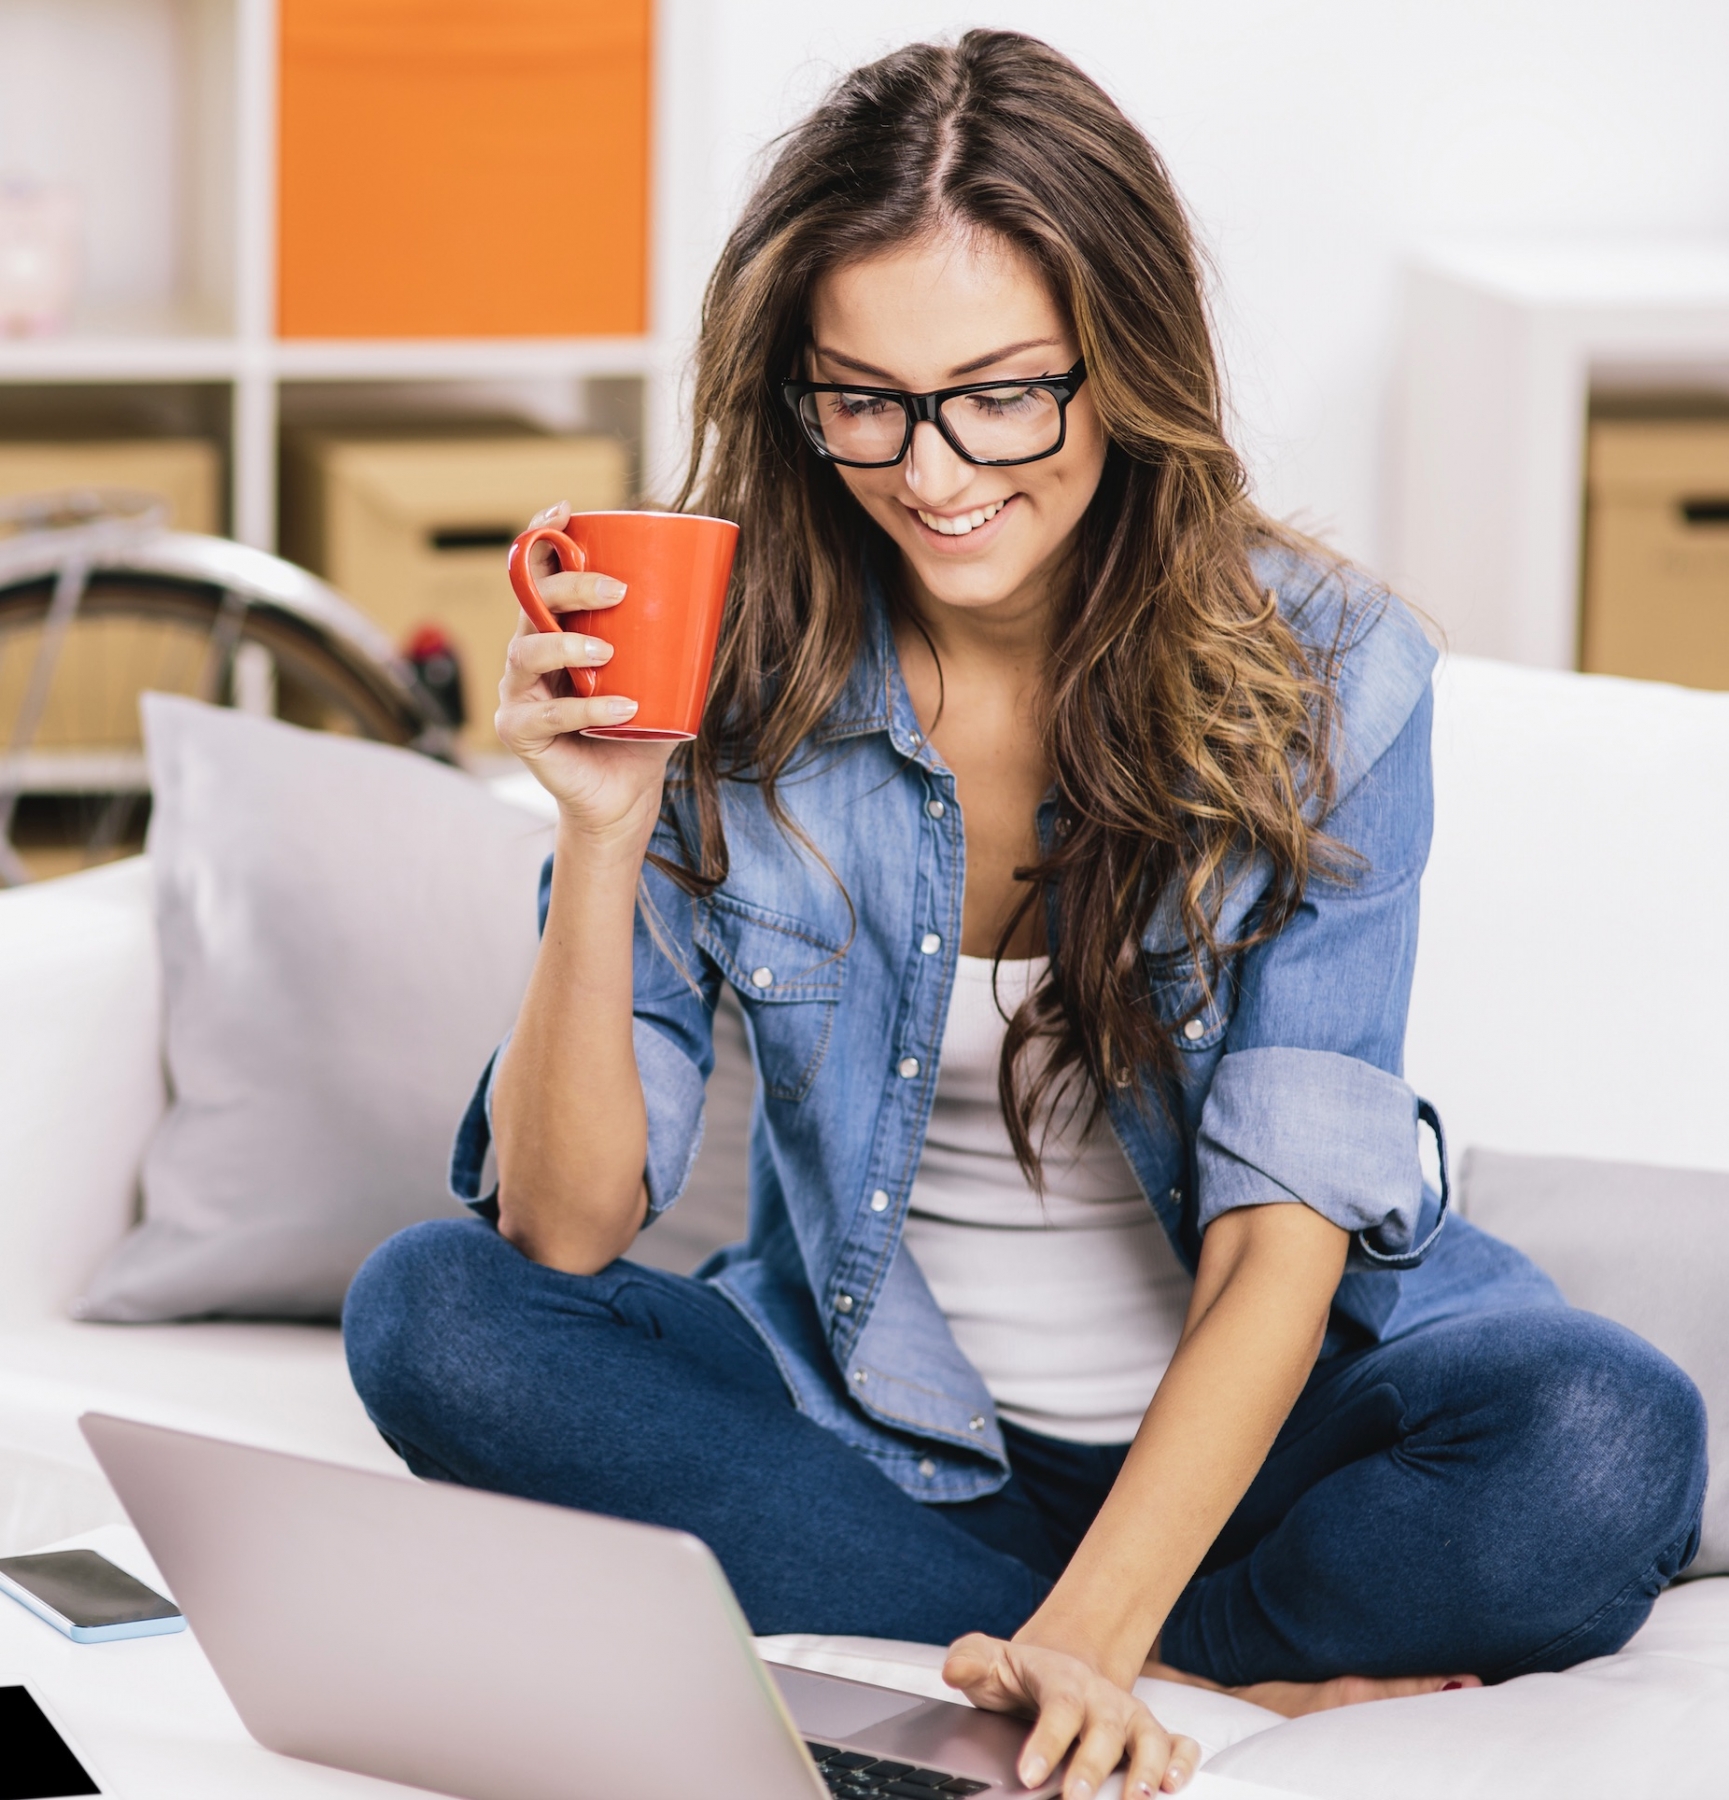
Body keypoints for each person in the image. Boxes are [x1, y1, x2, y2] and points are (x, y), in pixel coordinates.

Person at [343, 31, 1707, 1799]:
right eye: (864, 399)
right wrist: (601, 832)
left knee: (1602, 1439)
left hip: (1271, 1421)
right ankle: (1223, 1660)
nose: (930, 470)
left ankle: (1089, 1641)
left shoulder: (1330, 673)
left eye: (1001, 393)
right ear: (795, 394)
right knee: (431, 1312)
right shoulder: (726, 668)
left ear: (1122, 366)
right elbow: (567, 1230)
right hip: (879, 1426)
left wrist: (1087, 1636)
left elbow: (1279, 1249)